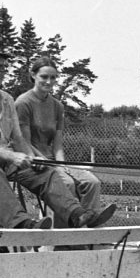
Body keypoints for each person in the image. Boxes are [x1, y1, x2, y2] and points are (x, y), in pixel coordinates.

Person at [0, 48, 115, 229]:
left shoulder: (7, 99)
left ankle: (78, 215)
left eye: (2, 67)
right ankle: (21, 224)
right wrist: (12, 156)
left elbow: (17, 138)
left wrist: (33, 157)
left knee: (44, 172)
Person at [15, 57, 107, 227]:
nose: (49, 81)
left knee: (92, 182)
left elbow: (57, 143)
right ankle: (62, 241)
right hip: (33, 161)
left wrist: (61, 164)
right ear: (33, 75)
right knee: (67, 183)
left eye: (53, 78)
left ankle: (90, 232)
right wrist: (46, 162)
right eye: (44, 77)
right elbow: (23, 142)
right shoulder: (23, 103)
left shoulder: (57, 106)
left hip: (53, 160)